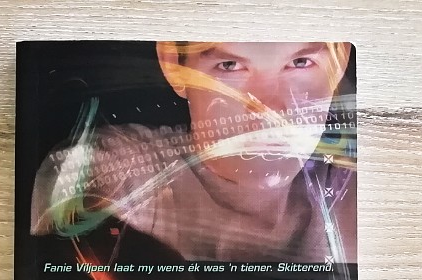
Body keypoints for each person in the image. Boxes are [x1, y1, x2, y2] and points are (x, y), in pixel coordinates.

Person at [30, 41, 356, 265]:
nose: (270, 112)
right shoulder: (111, 173)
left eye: (300, 62)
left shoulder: (360, 193)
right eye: (229, 65)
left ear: (339, 60)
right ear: (174, 64)